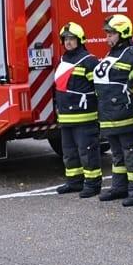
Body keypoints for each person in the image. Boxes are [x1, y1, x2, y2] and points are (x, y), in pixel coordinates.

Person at [94, 15, 133, 206]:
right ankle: (119, 187)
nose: (107, 38)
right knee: (117, 154)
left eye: (111, 33)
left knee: (132, 153)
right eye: (107, 33)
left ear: (123, 33)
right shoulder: (112, 54)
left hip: (126, 115)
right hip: (109, 115)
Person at [54, 22, 102, 197]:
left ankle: (93, 184)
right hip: (66, 117)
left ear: (80, 40)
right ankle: (74, 182)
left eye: (72, 39)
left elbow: (98, 88)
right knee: (69, 153)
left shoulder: (89, 61)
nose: (68, 42)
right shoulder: (63, 60)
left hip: (84, 117)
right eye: (65, 39)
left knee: (87, 152)